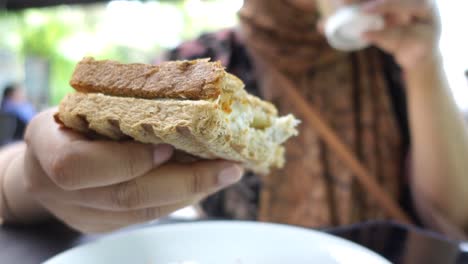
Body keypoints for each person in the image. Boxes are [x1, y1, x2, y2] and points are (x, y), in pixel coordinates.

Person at [1, 0, 468, 239]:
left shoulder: (392, 64)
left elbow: (449, 219)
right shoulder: (203, 62)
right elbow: (45, 165)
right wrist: (25, 179)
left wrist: (423, 61)